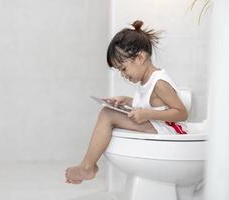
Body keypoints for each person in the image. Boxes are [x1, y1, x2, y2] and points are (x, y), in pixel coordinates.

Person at [65, 20, 188, 184]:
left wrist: (147, 114)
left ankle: (87, 167)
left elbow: (181, 113)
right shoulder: (147, 80)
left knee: (108, 115)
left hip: (168, 132)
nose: (123, 74)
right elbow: (151, 104)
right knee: (110, 112)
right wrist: (126, 101)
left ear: (140, 58)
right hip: (158, 126)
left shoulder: (159, 82)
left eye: (123, 68)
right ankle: (88, 166)